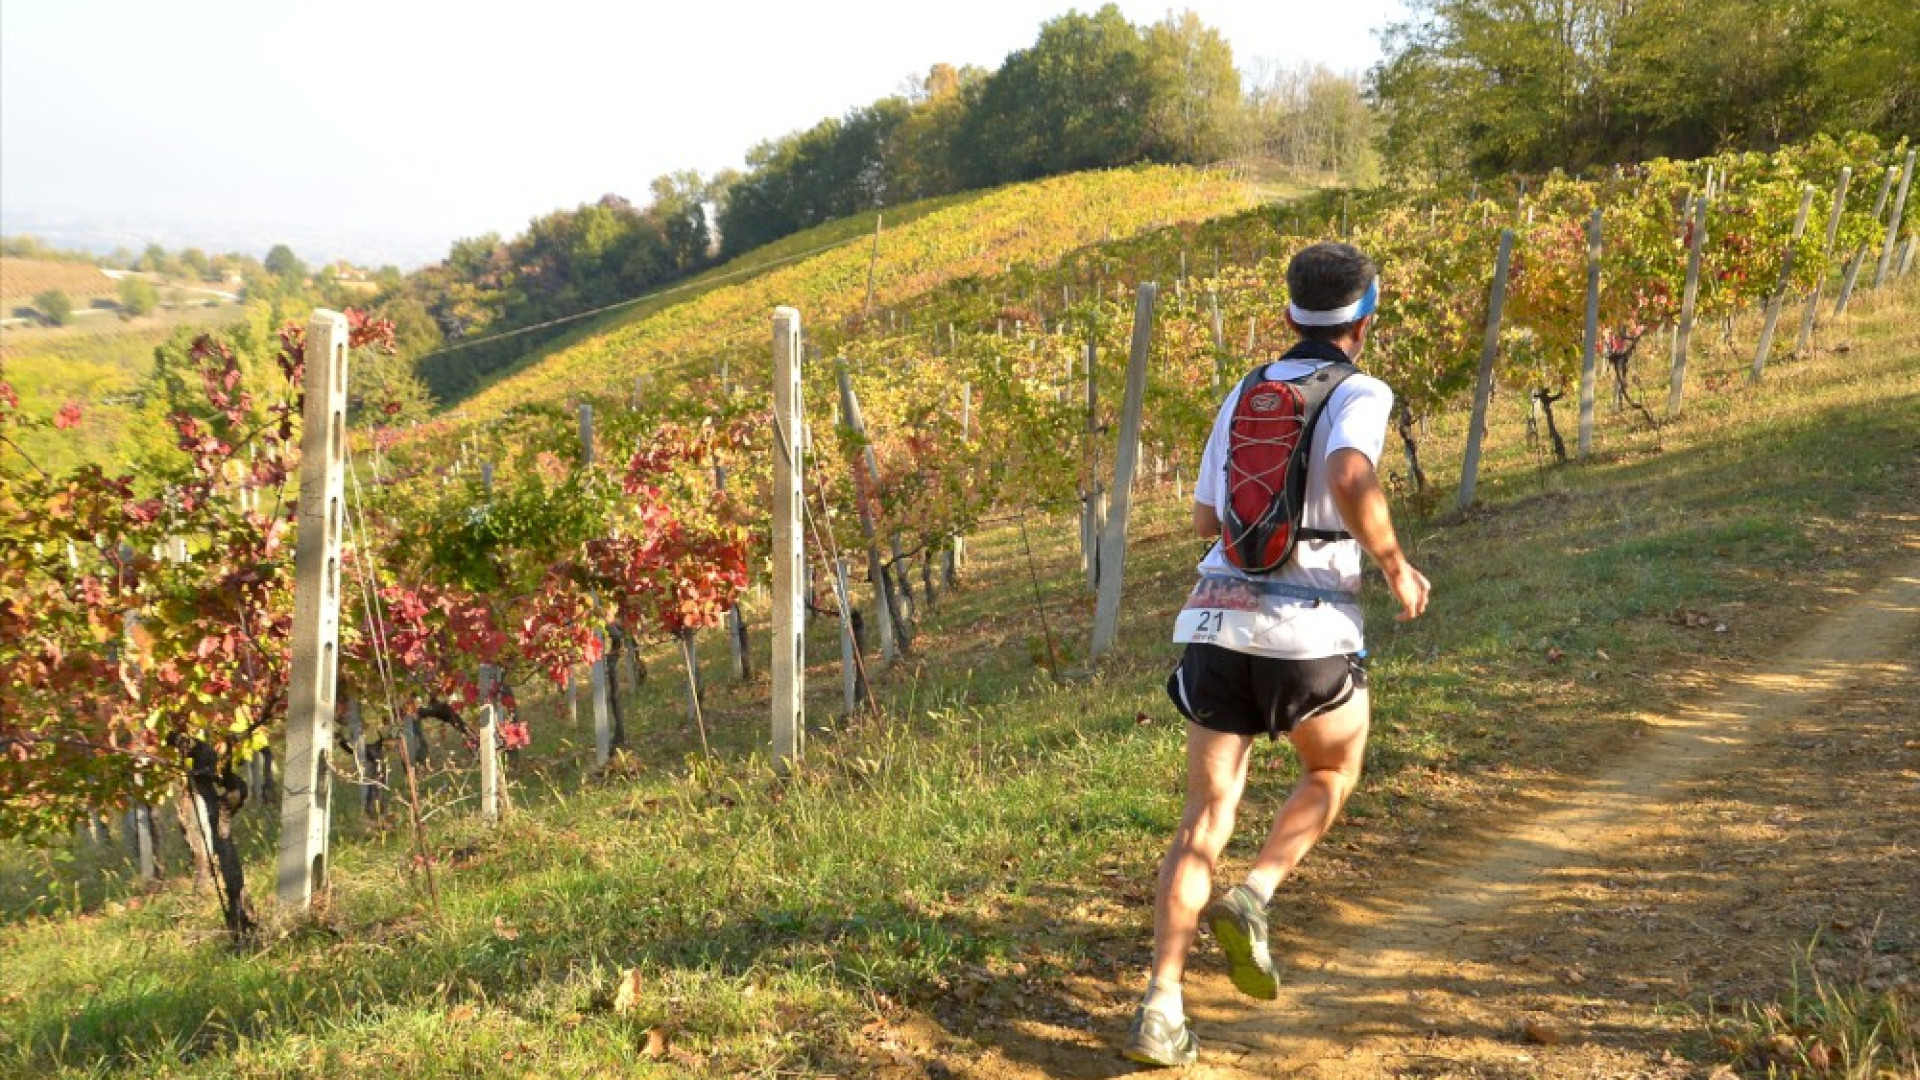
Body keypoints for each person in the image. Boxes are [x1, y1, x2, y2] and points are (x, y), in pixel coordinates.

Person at [1123, 241, 1431, 1067]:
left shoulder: (1247, 389)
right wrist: (1395, 565)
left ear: (1291, 314)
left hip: (1216, 623)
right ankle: (1254, 894)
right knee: (1331, 770)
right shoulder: (1361, 389)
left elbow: (1202, 519)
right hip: (1312, 636)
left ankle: (1161, 1003)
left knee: (1203, 816)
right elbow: (1351, 470)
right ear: (1366, 316)